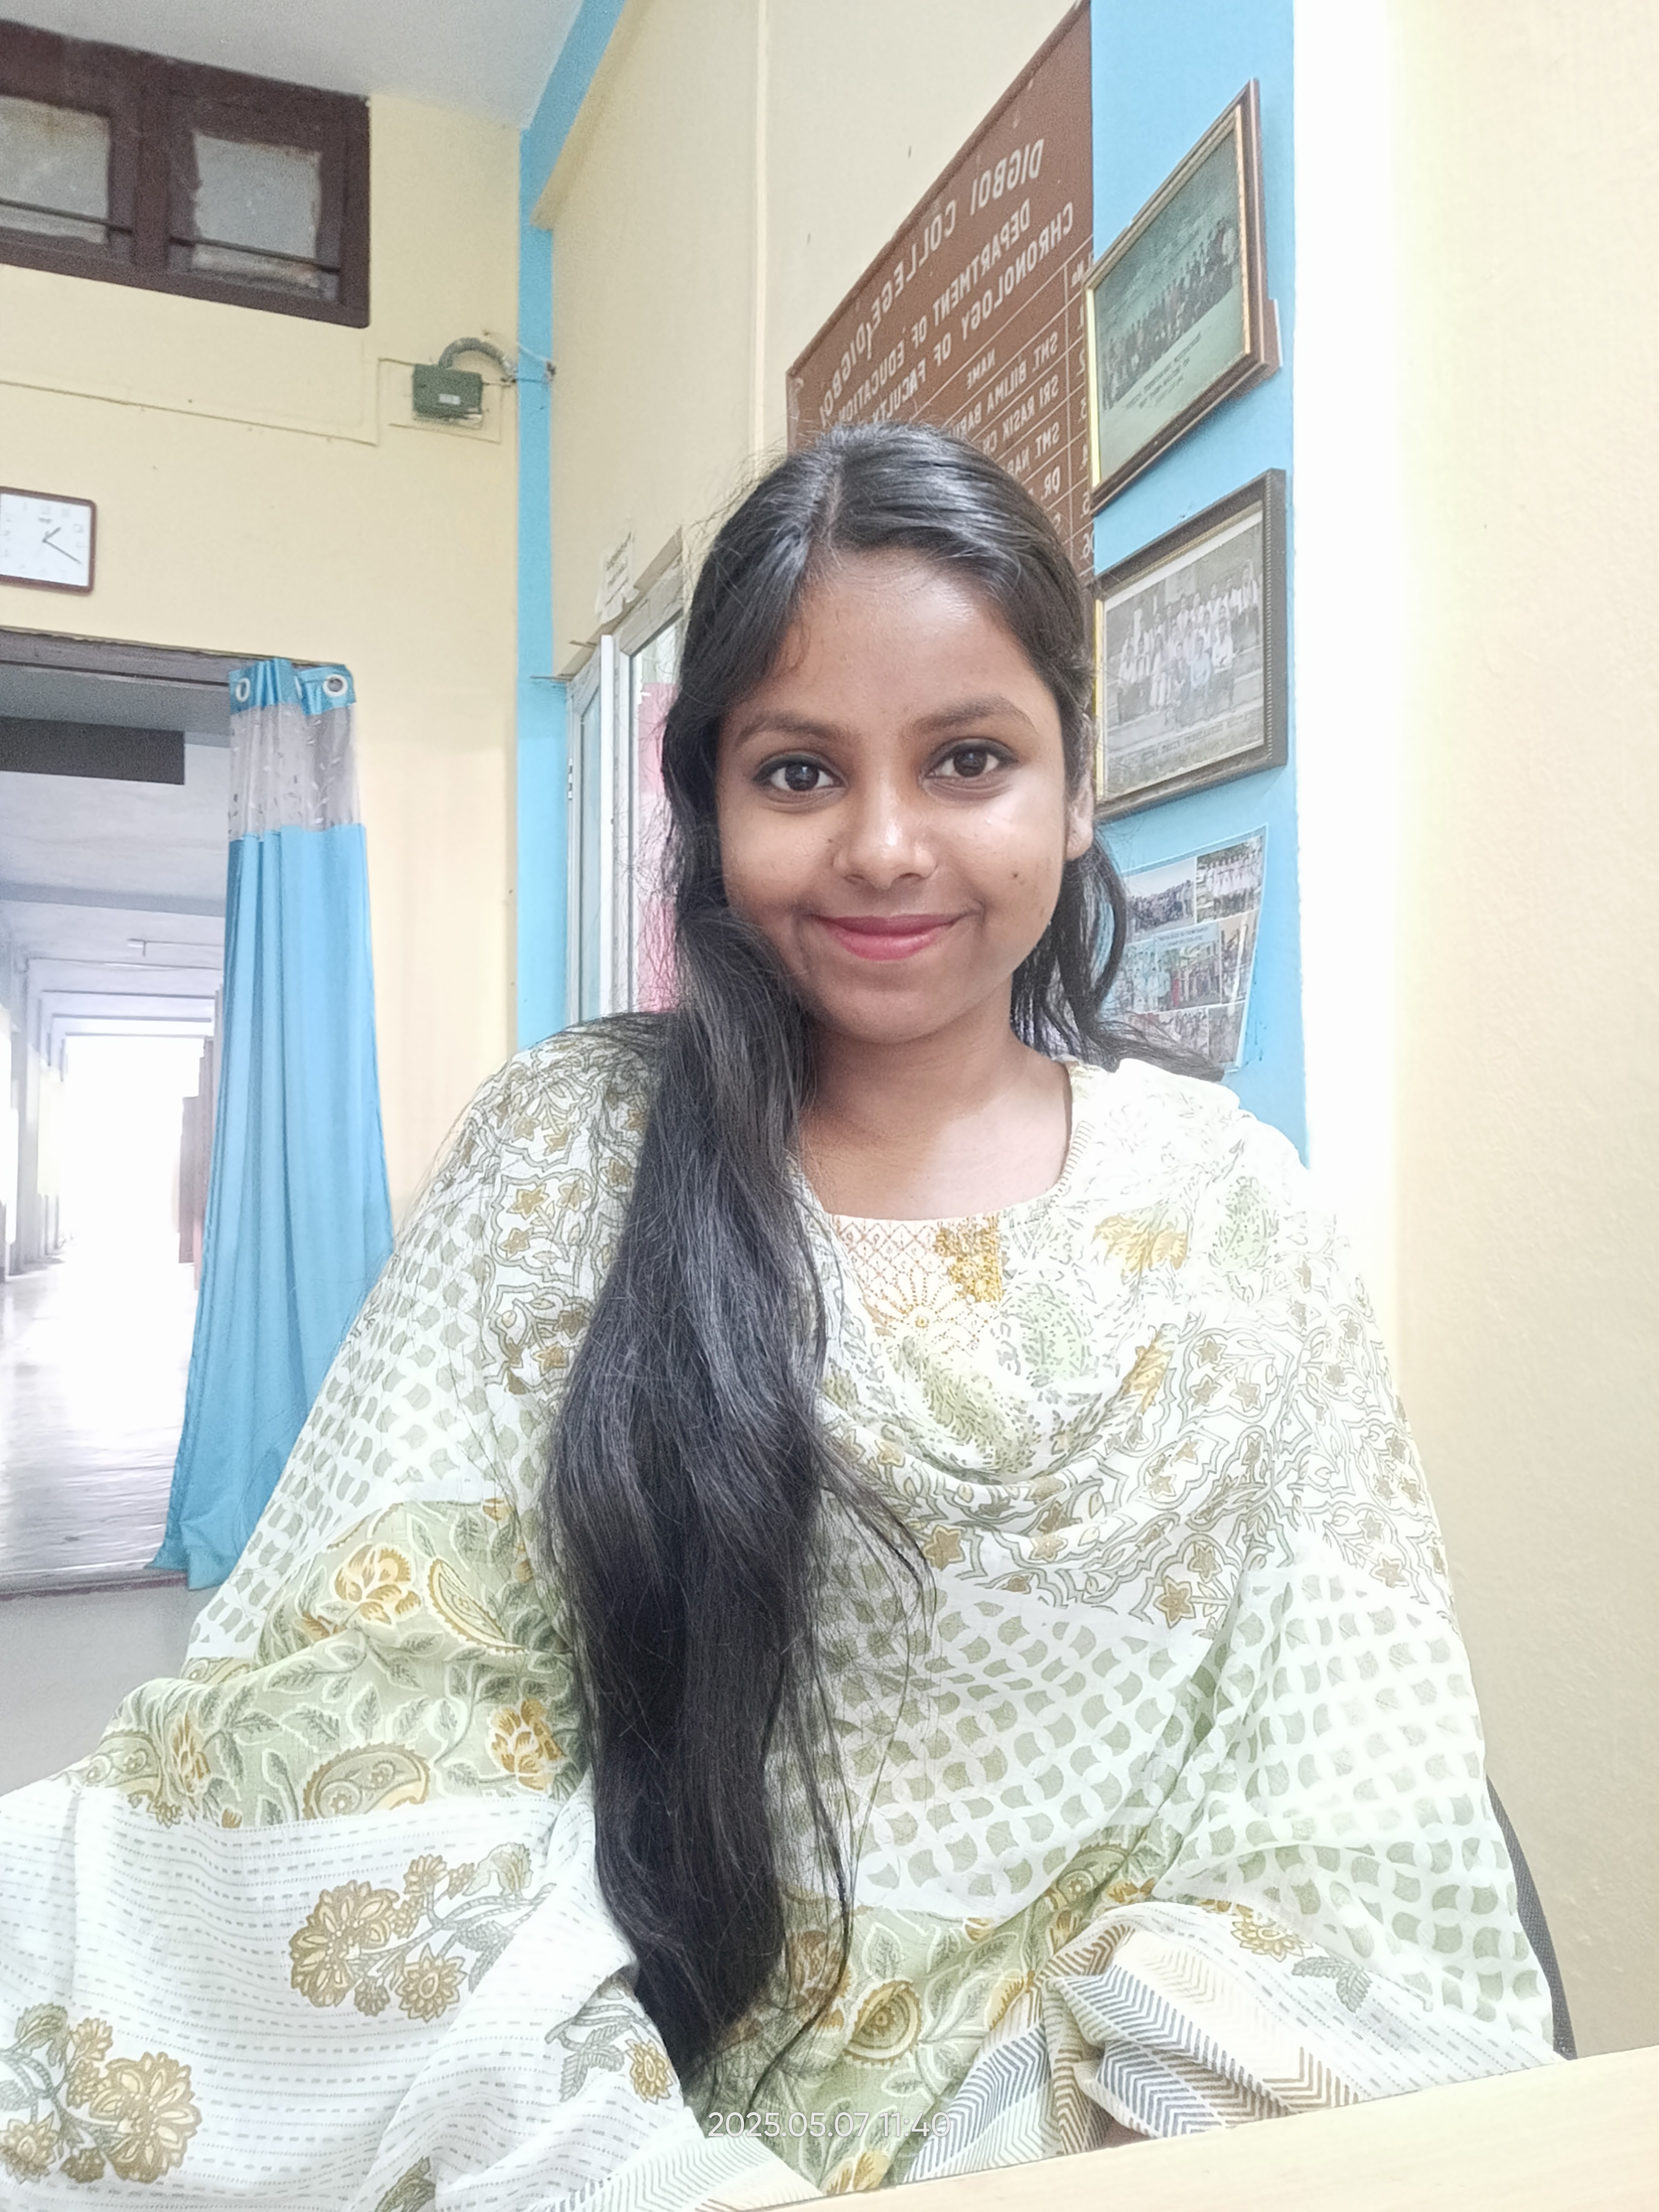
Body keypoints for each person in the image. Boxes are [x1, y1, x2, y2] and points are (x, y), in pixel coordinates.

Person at [0, 425, 1556, 2210]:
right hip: (614, 2110)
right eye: (801, 771)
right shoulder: (569, 1160)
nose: (885, 847)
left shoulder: (1236, 1210)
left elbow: (1348, 1793)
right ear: (712, 810)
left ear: (1076, 784)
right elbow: (376, 1738)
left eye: (969, 759)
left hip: (1118, 2132)